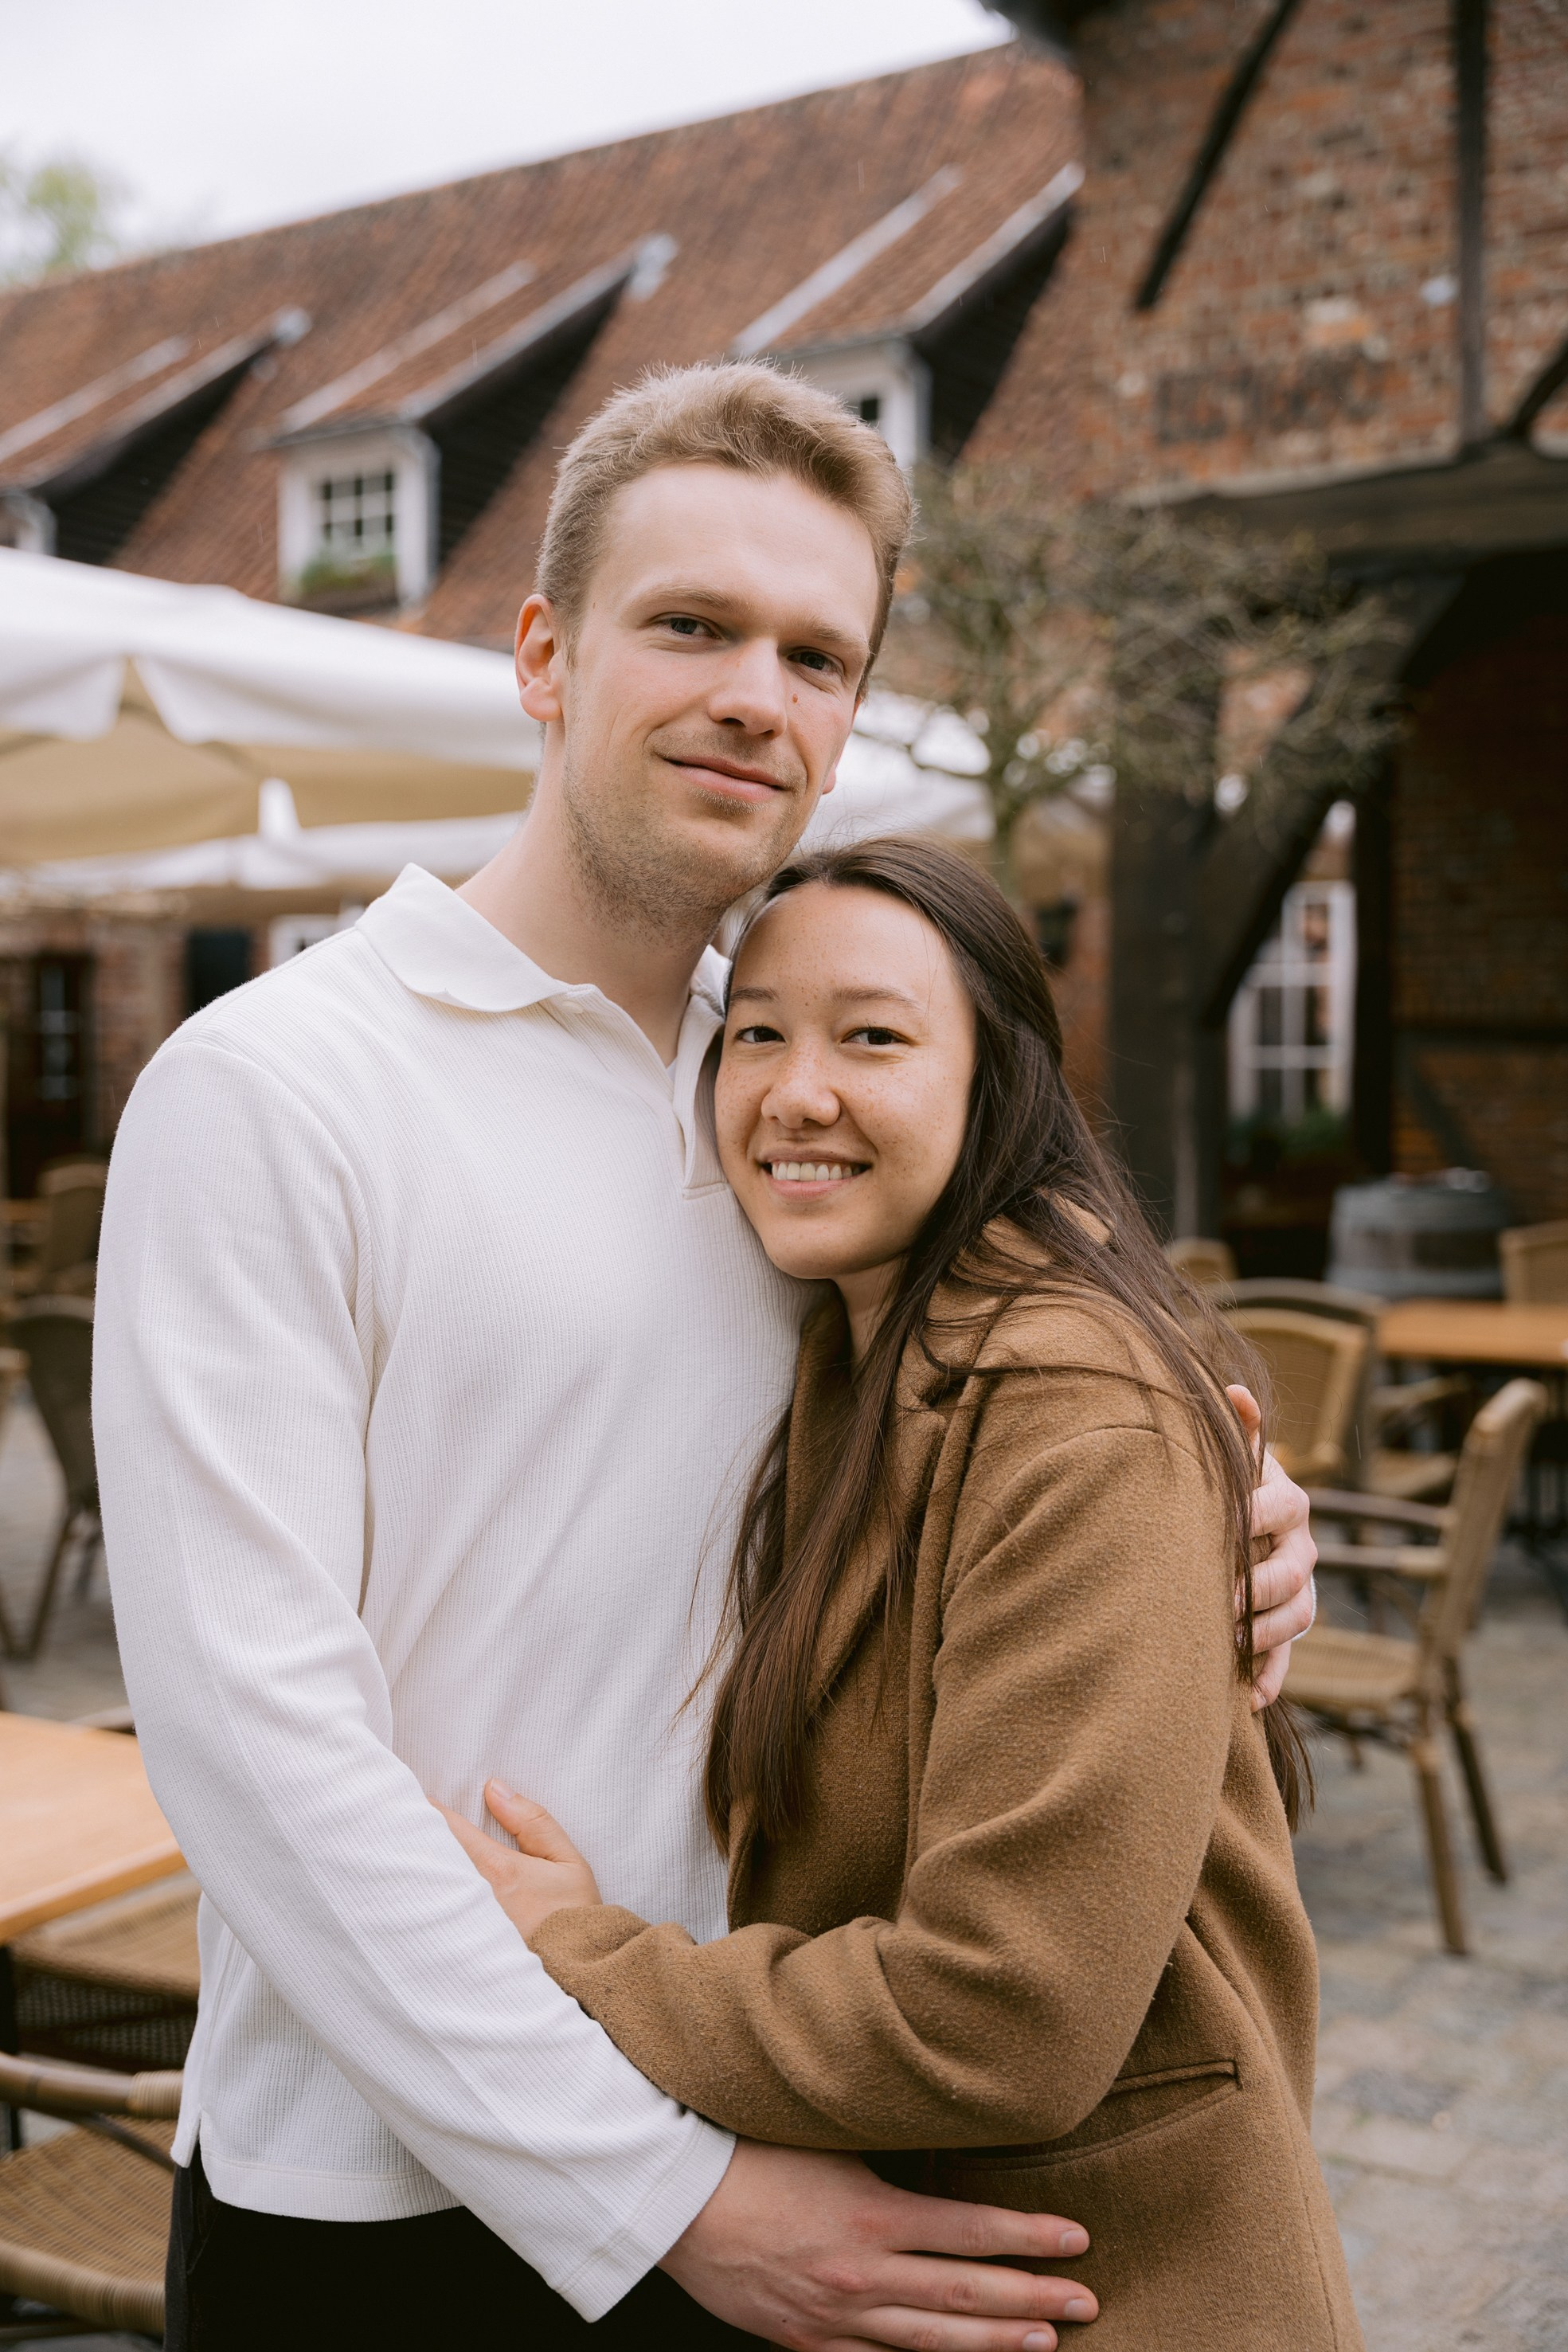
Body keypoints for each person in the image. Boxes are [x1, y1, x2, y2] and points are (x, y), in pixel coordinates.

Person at [96, 363, 1316, 2350]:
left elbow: (1028, 1390)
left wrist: (1241, 1516)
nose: (761, 690)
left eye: (816, 652)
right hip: (406, 2192)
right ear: (543, 654)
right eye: (692, 626)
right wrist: (659, 2195)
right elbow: (260, 1752)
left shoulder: (807, 1100)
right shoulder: (277, 1087)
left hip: (784, 2130)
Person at [441, 836, 1359, 2351]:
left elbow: (1001, 2011)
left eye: (871, 1034)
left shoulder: (1073, 1402)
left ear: (995, 1080)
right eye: (756, 1035)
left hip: (1110, 2278)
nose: (797, 1091)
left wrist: (583, 1955)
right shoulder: (842, 1349)